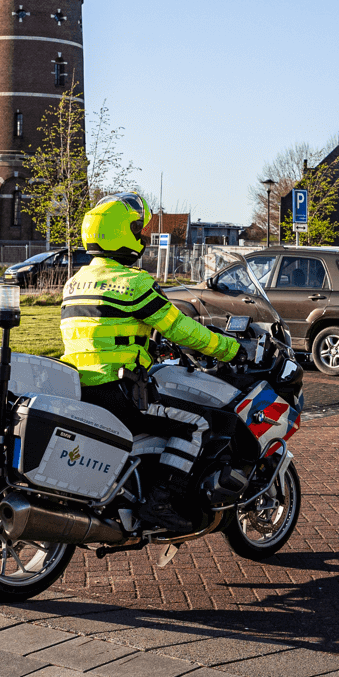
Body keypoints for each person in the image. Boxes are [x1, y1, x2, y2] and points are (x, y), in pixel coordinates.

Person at [60, 192, 241, 530]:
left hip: (80, 387)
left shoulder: (75, 282)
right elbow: (183, 329)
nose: (142, 237)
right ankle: (162, 500)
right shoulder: (133, 284)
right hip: (119, 391)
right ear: (121, 234)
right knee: (198, 424)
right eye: (138, 230)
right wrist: (229, 349)